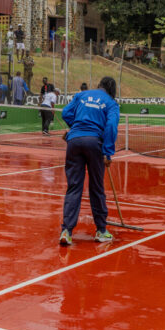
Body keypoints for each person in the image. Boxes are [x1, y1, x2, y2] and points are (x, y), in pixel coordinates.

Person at [58, 76, 120, 246]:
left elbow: (65, 113)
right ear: (112, 90)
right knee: (96, 187)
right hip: (94, 143)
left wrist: (75, 128)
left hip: (74, 141)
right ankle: (101, 230)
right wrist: (108, 152)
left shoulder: (82, 95)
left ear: (99, 85)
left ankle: (66, 231)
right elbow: (111, 126)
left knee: (74, 186)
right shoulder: (111, 103)